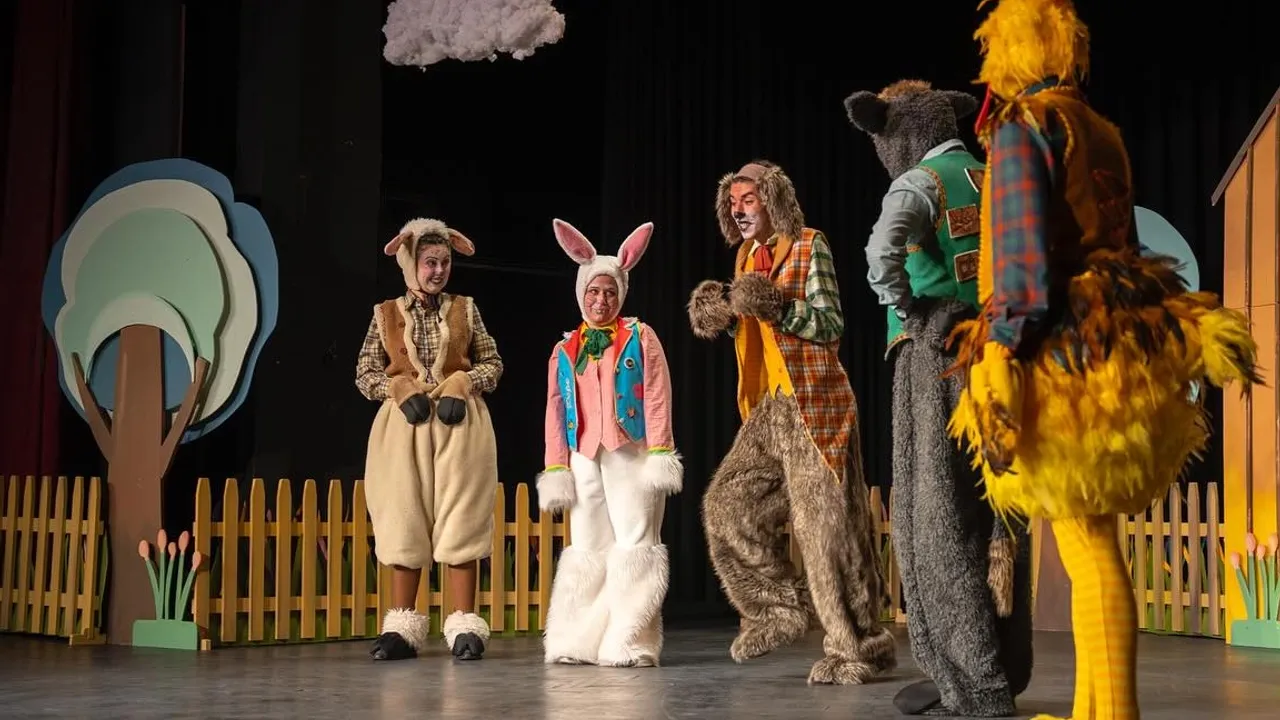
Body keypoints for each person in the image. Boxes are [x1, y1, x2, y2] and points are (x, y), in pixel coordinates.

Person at [949, 1, 1261, 718]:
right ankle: (1094, 708)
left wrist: (999, 354)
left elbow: (1021, 265)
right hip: (1116, 341)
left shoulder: (1026, 127)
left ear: (1010, 48)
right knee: (1092, 540)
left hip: (1061, 352)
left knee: (1087, 546)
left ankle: (1116, 714)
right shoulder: (1099, 128)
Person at [844, 79, 1033, 716]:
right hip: (1000, 354)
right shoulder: (994, 179)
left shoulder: (919, 182)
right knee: (1001, 511)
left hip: (938, 355)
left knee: (937, 518)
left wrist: (909, 310)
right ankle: (1004, 665)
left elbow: (881, 255)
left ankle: (973, 684)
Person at [687, 160, 895, 685]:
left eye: (748, 200)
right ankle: (776, 609)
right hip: (767, 408)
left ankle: (855, 647)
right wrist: (725, 316)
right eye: (733, 202)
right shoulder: (745, 257)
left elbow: (831, 323)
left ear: (772, 199)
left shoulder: (808, 245)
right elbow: (754, 332)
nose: (739, 210)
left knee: (826, 528)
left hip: (814, 402)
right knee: (725, 505)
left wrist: (777, 307)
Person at [355, 217, 504, 662]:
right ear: (410, 263)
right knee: (403, 517)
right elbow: (365, 373)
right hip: (405, 427)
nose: (438, 271)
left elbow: (493, 363)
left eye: (444, 262)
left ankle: (464, 625)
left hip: (460, 425)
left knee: (462, 518)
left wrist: (464, 382)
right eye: (429, 262)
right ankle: (401, 628)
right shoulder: (385, 314)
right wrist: (398, 388)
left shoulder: (466, 309)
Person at [537, 218, 682, 668]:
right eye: (593, 292)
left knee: (635, 541)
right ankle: (576, 641)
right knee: (587, 545)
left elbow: (657, 394)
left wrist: (661, 451)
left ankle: (631, 641)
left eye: (610, 293)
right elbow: (555, 410)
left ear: (621, 294)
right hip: (584, 454)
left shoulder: (640, 336)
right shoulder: (565, 348)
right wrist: (556, 465)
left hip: (630, 450)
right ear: (581, 293)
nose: (601, 301)